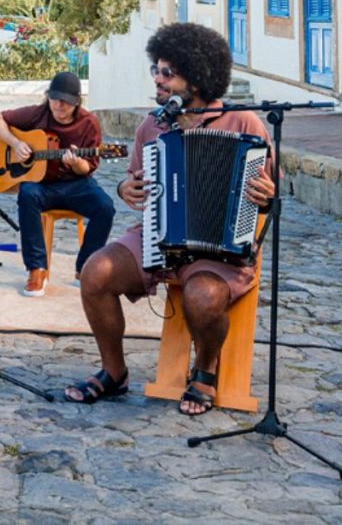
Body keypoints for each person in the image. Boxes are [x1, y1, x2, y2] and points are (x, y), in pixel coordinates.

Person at [64, 22, 275, 416]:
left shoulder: (243, 123)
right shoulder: (152, 126)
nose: (158, 80)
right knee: (95, 272)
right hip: (157, 236)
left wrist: (266, 196)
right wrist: (127, 190)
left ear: (197, 78)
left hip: (221, 250)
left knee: (203, 296)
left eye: (168, 73)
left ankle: (205, 369)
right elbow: (134, 184)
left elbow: (267, 195)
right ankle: (114, 372)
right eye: (156, 70)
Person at [0, 71, 116, 295]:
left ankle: (85, 267)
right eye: (54, 98)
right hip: (42, 185)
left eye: (65, 101)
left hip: (75, 184)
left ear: (77, 102)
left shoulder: (89, 123)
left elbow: (88, 168)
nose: (58, 105)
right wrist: (16, 143)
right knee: (27, 194)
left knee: (105, 207)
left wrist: (76, 164)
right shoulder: (38, 113)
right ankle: (36, 268)